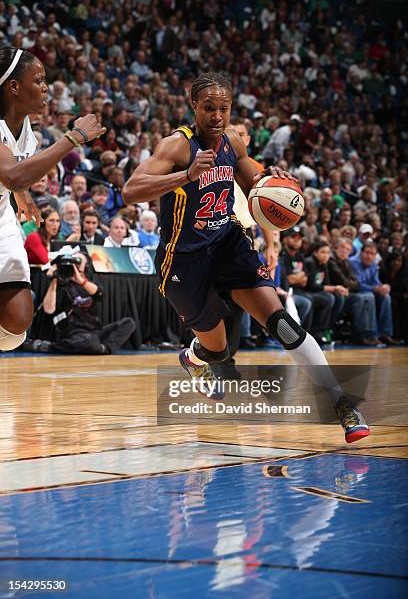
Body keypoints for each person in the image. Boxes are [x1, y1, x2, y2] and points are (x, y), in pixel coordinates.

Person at [122, 71, 370, 443]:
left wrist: (275, 181)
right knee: (218, 351)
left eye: (224, 108)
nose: (217, 116)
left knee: (283, 325)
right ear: (194, 106)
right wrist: (186, 176)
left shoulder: (233, 141)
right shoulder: (176, 146)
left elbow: (254, 177)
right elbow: (131, 190)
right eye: (209, 108)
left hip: (227, 243)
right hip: (183, 259)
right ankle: (194, 357)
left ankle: (341, 404)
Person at [0, 46, 105, 351]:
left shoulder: (28, 134)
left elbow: (15, 176)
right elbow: (13, 175)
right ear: (14, 87)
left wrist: (24, 198)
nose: (45, 86)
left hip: (3, 213)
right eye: (38, 79)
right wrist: (73, 138)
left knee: (17, 322)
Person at [42, 252, 136, 354]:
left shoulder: (89, 282)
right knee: (88, 342)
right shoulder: (61, 284)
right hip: (74, 333)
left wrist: (81, 281)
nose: (74, 265)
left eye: (78, 261)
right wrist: (54, 281)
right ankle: (52, 347)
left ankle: (103, 349)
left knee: (129, 323)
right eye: (72, 261)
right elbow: (48, 309)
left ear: (85, 265)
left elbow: (101, 295)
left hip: (95, 331)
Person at [328, 237, 380, 345]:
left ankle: (369, 333)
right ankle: (360, 334)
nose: (344, 251)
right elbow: (343, 280)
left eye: (348, 250)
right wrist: (350, 285)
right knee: (361, 298)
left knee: (368, 296)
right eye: (342, 248)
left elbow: (355, 282)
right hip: (334, 292)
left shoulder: (346, 262)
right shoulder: (331, 260)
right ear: (336, 248)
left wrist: (350, 285)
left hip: (345, 292)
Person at [350, 242, 400, 345]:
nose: (369, 256)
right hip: (354, 292)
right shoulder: (353, 263)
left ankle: (385, 333)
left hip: (368, 292)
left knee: (386, 297)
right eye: (367, 253)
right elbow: (357, 285)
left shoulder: (373, 265)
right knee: (370, 296)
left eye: (372, 254)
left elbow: (376, 282)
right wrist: (375, 289)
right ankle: (369, 334)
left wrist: (384, 287)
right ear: (361, 253)